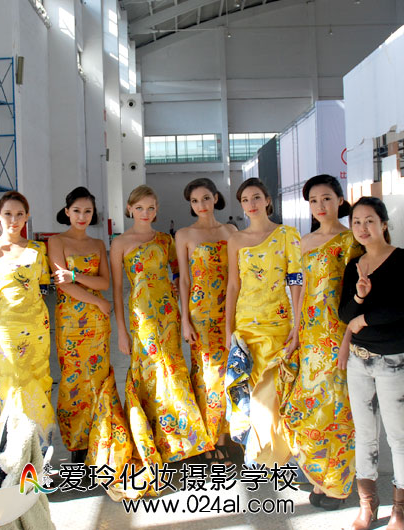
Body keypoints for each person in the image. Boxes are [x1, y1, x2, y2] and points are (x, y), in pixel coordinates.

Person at [278, 175, 361, 510]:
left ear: (340, 200)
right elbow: (299, 289)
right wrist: (297, 330)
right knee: (305, 408)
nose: (320, 206)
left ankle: (338, 486)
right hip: (311, 337)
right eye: (313, 201)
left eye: (326, 198)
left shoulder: (352, 241)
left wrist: (348, 338)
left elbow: (356, 296)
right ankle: (318, 476)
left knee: (338, 411)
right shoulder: (304, 241)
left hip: (339, 334)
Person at [110, 185, 209, 463]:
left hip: (168, 315)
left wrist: (177, 286)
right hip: (141, 318)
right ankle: (154, 438)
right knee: (149, 373)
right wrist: (121, 332)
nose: (145, 213)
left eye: (151, 208)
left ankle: (185, 440)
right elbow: (116, 291)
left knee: (173, 370)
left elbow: (179, 273)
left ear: (157, 210)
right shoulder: (120, 243)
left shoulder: (165, 240)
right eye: (139, 208)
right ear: (130, 209)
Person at [339, 197, 404, 530]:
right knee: (365, 437)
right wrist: (359, 294)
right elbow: (344, 313)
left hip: (393, 360)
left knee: (399, 438)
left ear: (383, 224)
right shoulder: (354, 265)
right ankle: (367, 506)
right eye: (356, 222)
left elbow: (398, 309)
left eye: (369, 220)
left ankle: (401, 509)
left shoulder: (401, 259)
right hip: (359, 363)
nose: (362, 227)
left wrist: (363, 319)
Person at [225, 177, 302, 466]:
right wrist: (229, 329)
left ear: (268, 200)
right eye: (245, 200)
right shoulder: (235, 239)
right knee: (251, 390)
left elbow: (296, 281)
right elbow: (233, 285)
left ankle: (279, 454)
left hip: (278, 323)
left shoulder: (287, 235)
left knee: (275, 391)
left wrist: (298, 324)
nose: (251, 204)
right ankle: (258, 454)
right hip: (246, 325)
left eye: (256, 197)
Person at [0, 191, 54, 449]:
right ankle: (14, 453)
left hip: (38, 327)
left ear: (27, 216)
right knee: (14, 385)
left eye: (20, 214)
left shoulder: (38, 249)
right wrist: (5, 315)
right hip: (8, 331)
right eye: (8, 213)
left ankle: (39, 451)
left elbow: (43, 288)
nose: (14, 219)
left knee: (40, 381)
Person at [175, 178, 238, 461]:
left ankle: (224, 436)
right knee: (207, 375)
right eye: (194, 201)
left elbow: (237, 274)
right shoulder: (184, 235)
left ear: (216, 198)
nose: (201, 205)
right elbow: (184, 280)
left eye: (205, 198)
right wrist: (185, 320)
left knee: (229, 373)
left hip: (230, 309)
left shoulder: (231, 231)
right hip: (200, 313)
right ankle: (210, 440)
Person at [47, 187, 111, 464]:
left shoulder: (98, 244)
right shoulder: (56, 241)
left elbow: (104, 282)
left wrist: (74, 275)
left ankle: (99, 442)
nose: (82, 216)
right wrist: (96, 300)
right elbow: (63, 285)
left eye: (87, 211)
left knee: (97, 381)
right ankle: (77, 447)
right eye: (77, 211)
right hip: (70, 322)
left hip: (97, 324)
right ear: (67, 212)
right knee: (73, 381)